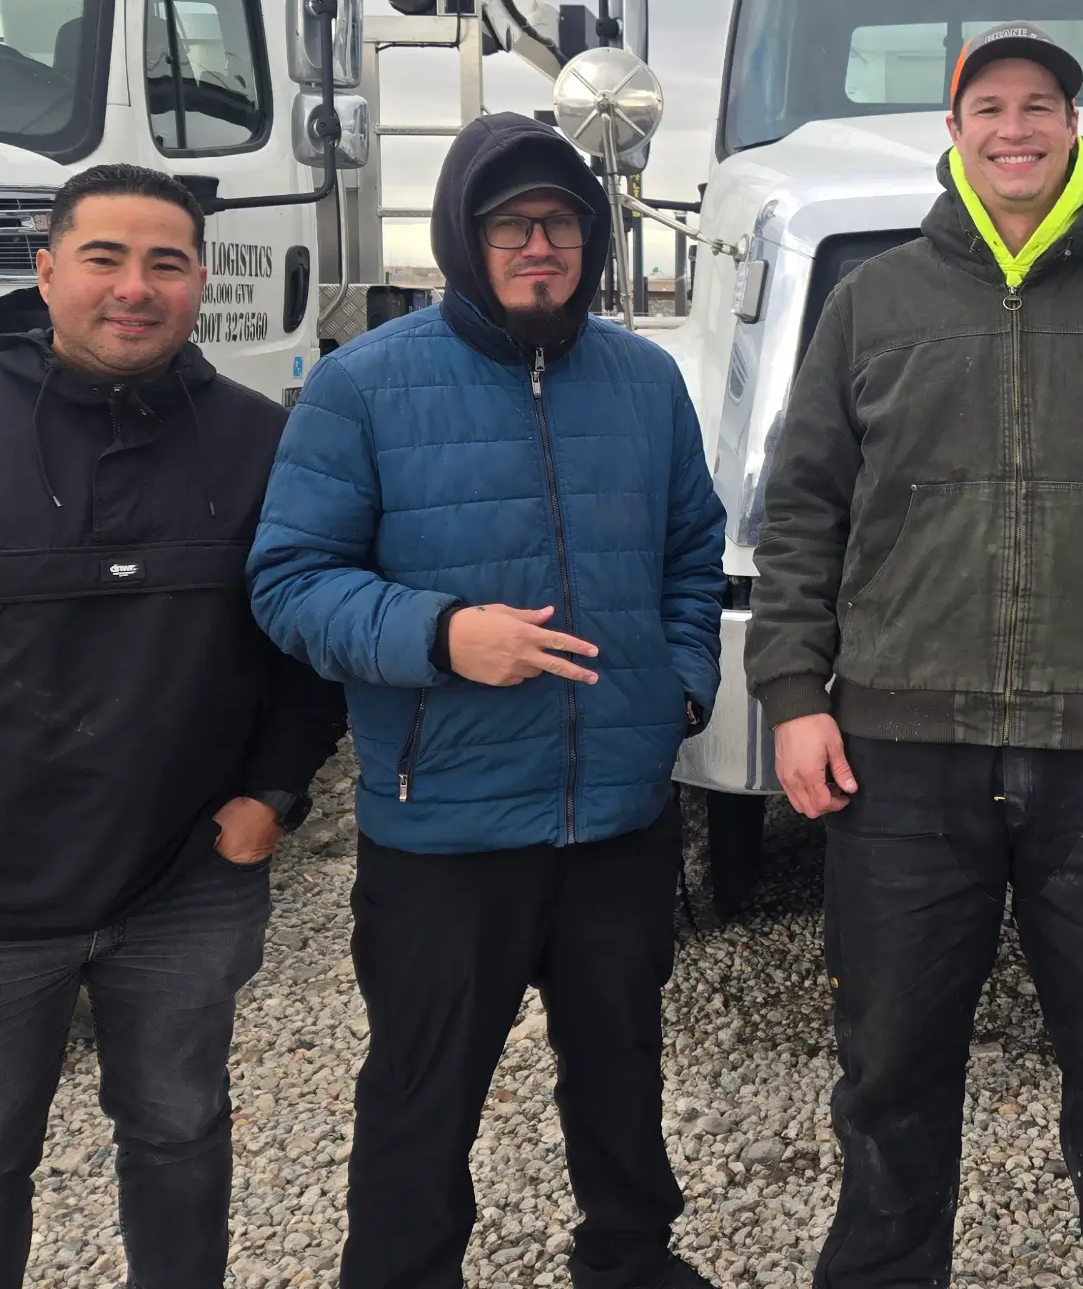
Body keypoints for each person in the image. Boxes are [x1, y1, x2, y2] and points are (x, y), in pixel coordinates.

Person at [747, 21, 1083, 1289]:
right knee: (892, 1064)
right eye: (989, 108)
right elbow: (804, 508)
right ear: (953, 135)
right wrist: (796, 694)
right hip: (902, 758)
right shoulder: (872, 302)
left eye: (1039, 106)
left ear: (1073, 129)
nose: (1014, 128)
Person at [0, 165, 345, 1289]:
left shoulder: (261, 446)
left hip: (185, 887)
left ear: (198, 281)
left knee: (182, 1138)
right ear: (44, 273)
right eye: (104, 258)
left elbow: (309, 638)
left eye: (166, 263)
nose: (134, 288)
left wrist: (272, 793)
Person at [247, 114, 727, 1289]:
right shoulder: (364, 386)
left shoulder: (647, 379)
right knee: (423, 1087)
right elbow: (289, 583)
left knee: (621, 1066)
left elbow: (691, 555)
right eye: (510, 222)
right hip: (444, 819)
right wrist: (441, 635)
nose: (539, 244)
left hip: (617, 813)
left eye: (561, 222)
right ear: (463, 237)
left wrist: (679, 690)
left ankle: (630, 1258)